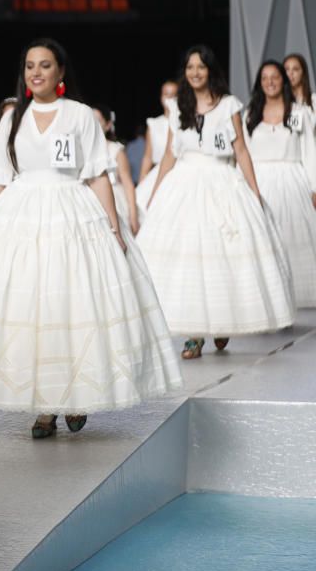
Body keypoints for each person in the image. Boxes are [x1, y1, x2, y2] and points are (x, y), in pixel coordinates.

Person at [0, 38, 182, 439]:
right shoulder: (14, 117)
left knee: (72, 310)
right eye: (30, 65)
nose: (36, 72)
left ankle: (76, 398)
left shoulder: (80, 115)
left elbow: (98, 173)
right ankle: (46, 409)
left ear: (61, 72)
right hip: (22, 217)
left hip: (72, 215)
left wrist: (113, 227)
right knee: (32, 313)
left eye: (45, 65)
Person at [136, 45, 295, 359]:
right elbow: (170, 153)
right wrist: (155, 191)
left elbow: (241, 151)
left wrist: (254, 191)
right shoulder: (177, 106)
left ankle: (220, 322)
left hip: (222, 182)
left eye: (201, 67)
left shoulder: (228, 105)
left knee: (223, 256)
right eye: (190, 67)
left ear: (211, 71)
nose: (195, 72)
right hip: (185, 184)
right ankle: (194, 334)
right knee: (189, 259)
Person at [242, 60, 316, 307]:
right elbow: (244, 155)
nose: (270, 82)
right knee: (262, 240)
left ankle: (295, 295)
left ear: (283, 80)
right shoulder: (250, 115)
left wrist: (315, 187)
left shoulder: (299, 113)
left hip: (292, 181)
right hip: (259, 183)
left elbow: (309, 152)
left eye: (275, 77)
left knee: (293, 235)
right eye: (264, 78)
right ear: (259, 83)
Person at [93, 104, 139, 234]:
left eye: (97, 121)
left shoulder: (116, 150)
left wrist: (133, 215)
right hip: (92, 199)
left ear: (107, 125)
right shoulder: (82, 150)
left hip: (116, 199)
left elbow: (128, 183)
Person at [135, 80, 179, 216]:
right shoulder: (154, 124)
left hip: (179, 173)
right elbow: (148, 156)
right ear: (161, 97)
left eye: (173, 94)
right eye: (166, 94)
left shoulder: (184, 122)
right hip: (157, 174)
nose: (169, 98)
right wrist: (142, 182)